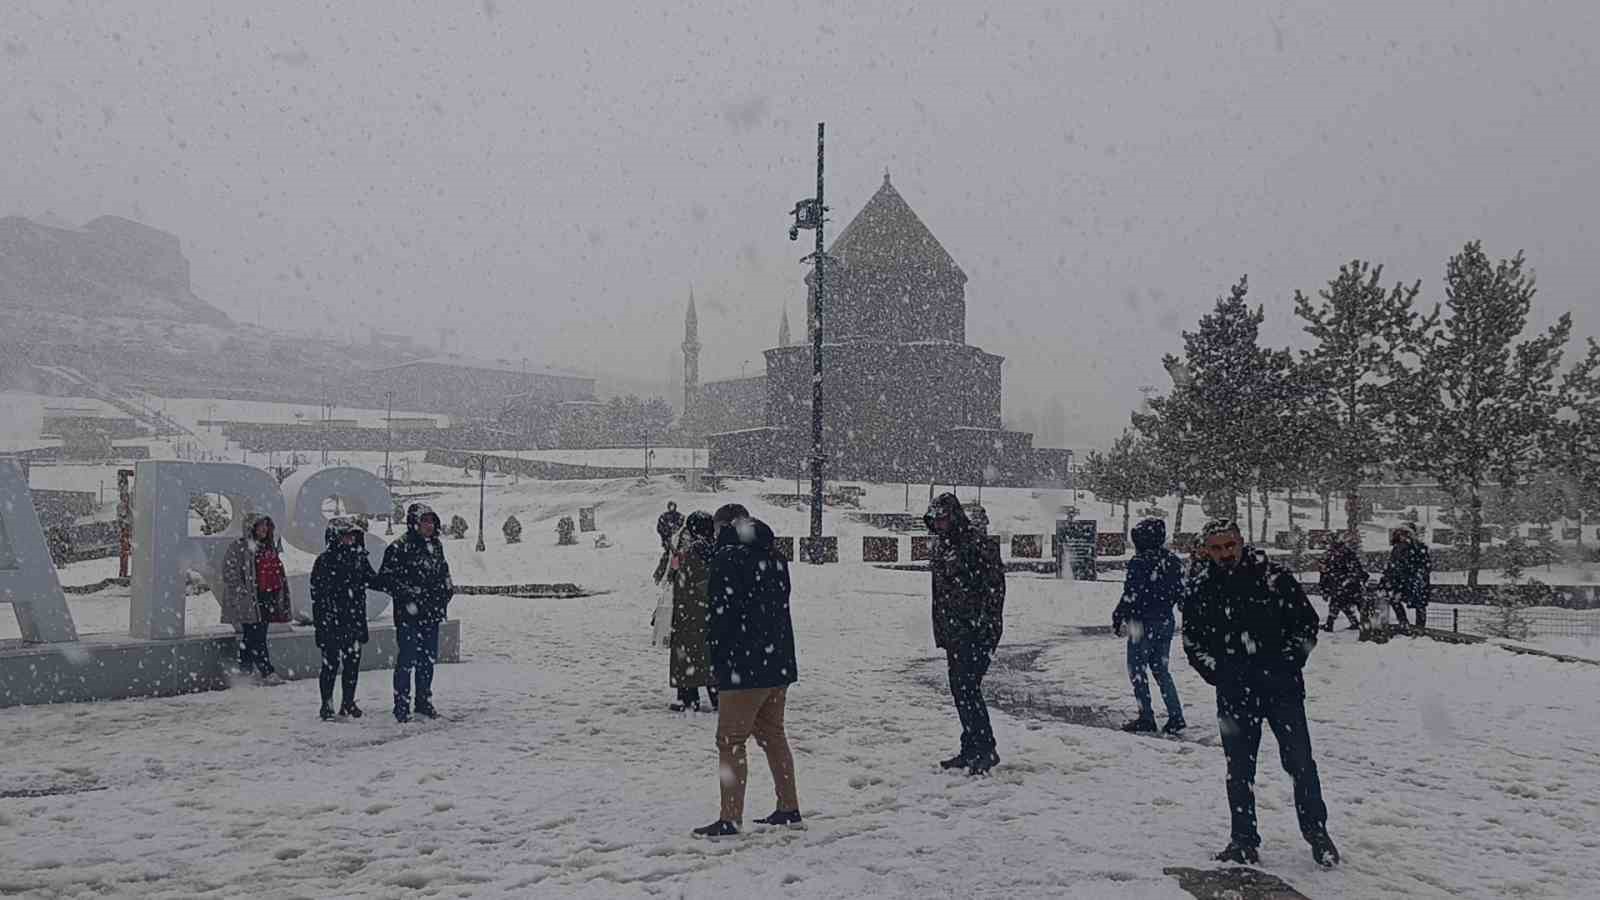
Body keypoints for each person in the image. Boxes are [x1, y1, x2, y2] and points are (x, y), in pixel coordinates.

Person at [1182, 519, 1340, 868]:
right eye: (1216, 548)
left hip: (1281, 689)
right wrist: (1218, 673)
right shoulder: (1200, 588)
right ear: (1206, 551)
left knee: (1300, 763)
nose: (1225, 553)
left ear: (1241, 543)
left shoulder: (1274, 578)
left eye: (1230, 545)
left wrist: (1288, 662)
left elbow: (1306, 625)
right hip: (1235, 692)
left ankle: (1317, 833)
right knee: (1239, 768)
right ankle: (1243, 839)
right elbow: (1193, 641)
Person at [692, 504, 802, 839]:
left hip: (743, 666)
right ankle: (789, 808)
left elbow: (722, 614)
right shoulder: (774, 555)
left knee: (730, 740)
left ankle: (730, 818)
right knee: (773, 736)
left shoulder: (728, 559)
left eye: (716, 529)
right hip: (777, 661)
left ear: (725, 526)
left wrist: (718, 660)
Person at [925, 492, 1006, 776]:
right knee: (962, 691)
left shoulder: (975, 544)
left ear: (954, 517)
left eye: (943, 519)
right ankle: (971, 747)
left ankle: (985, 748)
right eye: (935, 520)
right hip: (955, 630)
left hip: (975, 631)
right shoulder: (944, 546)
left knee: (968, 689)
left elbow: (994, 588)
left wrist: (984, 625)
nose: (939, 524)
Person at [379, 503, 454, 723]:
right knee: (407, 661)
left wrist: (446, 591)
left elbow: (443, 571)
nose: (429, 526)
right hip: (408, 616)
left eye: (431, 521)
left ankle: (423, 702)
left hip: (431, 614)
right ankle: (401, 705)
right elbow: (386, 579)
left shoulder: (436, 546)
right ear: (414, 523)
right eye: (424, 521)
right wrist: (410, 594)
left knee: (427, 661)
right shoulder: (399, 547)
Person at [1112, 518, 1186, 734]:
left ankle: (1146, 717)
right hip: (1165, 620)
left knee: (1137, 670)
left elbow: (1131, 594)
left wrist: (1119, 615)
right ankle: (1176, 716)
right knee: (1161, 670)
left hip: (1142, 622)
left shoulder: (1139, 562)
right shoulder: (1173, 561)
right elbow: (1182, 595)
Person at [311, 517, 376, 721]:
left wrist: (393, 582)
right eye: (346, 536)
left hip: (353, 620)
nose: (350, 540)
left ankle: (348, 702)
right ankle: (327, 705)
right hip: (332, 622)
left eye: (352, 536)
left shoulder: (359, 559)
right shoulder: (324, 561)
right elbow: (318, 596)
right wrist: (324, 623)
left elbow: (372, 579)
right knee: (330, 665)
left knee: (352, 665)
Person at [220, 513, 290, 685]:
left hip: (266, 598)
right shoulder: (239, 547)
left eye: (266, 525)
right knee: (256, 636)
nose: (264, 529)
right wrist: (242, 591)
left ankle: (245, 672)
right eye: (260, 525)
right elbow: (229, 571)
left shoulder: (269, 547)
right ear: (252, 527)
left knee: (252, 637)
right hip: (249, 600)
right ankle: (266, 672)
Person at [667, 510, 719, 712]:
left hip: (688, 614)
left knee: (686, 655)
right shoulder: (719, 551)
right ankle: (718, 696)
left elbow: (681, 581)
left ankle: (688, 698)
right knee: (712, 656)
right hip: (712, 614)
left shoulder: (690, 554)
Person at [1379, 523, 1432, 633]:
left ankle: (1417, 627)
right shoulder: (1399, 548)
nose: (1401, 537)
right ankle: (1405, 623)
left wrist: (1415, 576)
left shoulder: (1417, 548)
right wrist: (1387, 579)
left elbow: (1423, 566)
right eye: (1400, 535)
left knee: (1418, 604)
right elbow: (1393, 566)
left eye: (1403, 534)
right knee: (1396, 600)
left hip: (1413, 582)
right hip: (1404, 582)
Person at [1318, 531, 1367, 634]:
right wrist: (1324, 587)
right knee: (1341, 603)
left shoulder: (1345, 553)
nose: (1328, 546)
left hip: (1347, 584)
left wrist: (1349, 579)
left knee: (1340, 603)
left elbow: (1355, 569)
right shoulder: (1331, 555)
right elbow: (1325, 572)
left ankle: (1331, 625)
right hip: (1339, 584)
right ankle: (1354, 622)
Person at [653, 501, 685, 583]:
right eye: (671, 506)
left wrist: (677, 534)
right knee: (668, 556)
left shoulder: (680, 516)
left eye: (673, 506)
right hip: (668, 540)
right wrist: (666, 536)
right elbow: (659, 528)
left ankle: (672, 575)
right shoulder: (664, 516)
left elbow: (683, 527)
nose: (672, 508)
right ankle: (659, 575)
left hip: (677, 541)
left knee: (676, 557)